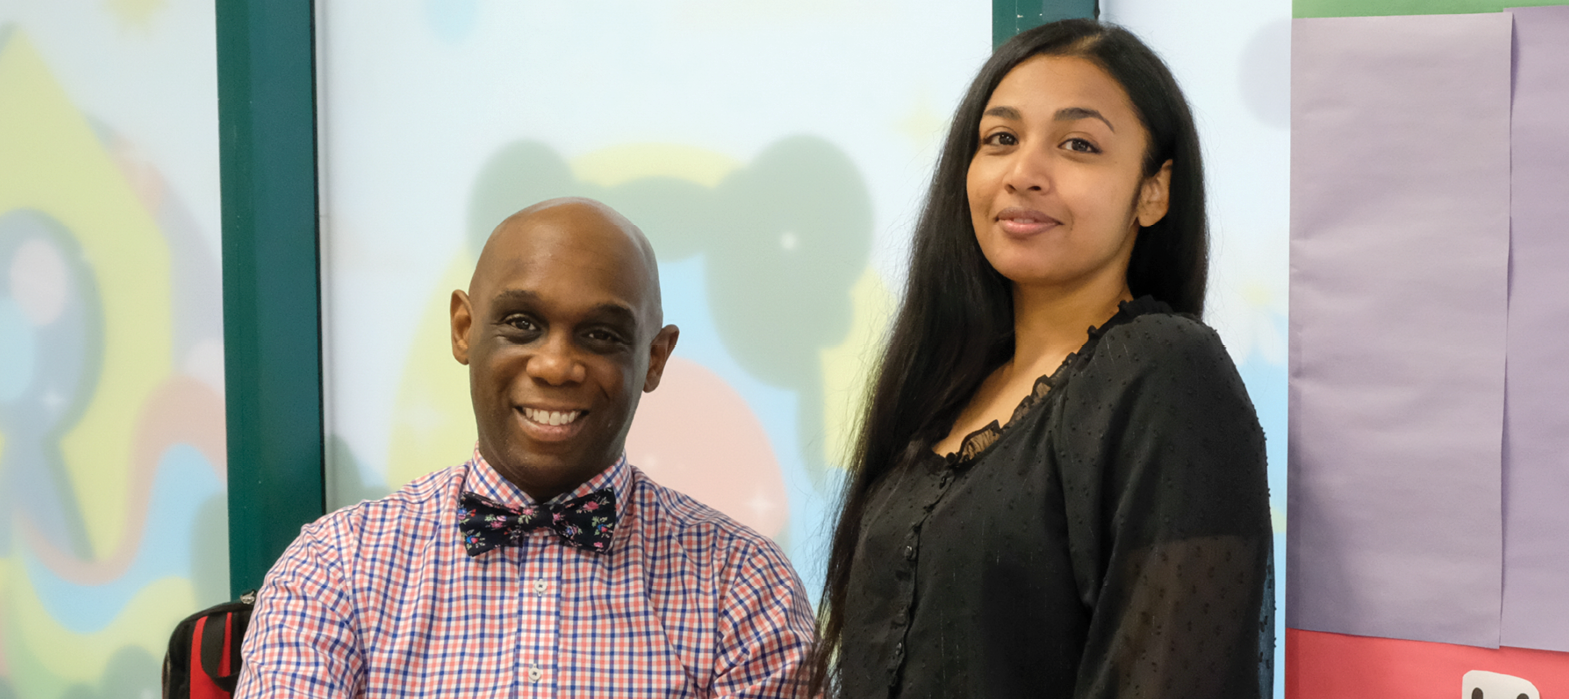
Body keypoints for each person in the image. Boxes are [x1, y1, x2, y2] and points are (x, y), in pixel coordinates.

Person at [810, 19, 1273, 698]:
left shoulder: (1164, 372)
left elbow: (1175, 672)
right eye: (1000, 138)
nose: (1023, 173)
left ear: (1153, 190)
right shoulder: (945, 385)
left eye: (1078, 144)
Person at [236, 198, 816, 698]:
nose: (556, 366)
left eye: (601, 335)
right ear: (464, 328)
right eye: (521, 323)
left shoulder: (741, 584)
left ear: (655, 359)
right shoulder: (335, 566)